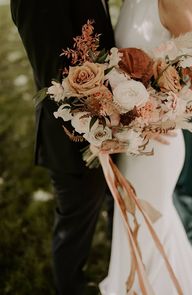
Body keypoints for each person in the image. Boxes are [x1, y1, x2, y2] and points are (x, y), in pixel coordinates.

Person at [100, 0, 192, 294]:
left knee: (150, 228)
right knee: (130, 224)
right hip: (129, 142)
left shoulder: (176, 3)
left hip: (156, 148)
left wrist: (160, 122)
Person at [10, 0, 115, 294]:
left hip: (112, 120)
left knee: (108, 199)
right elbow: (55, 79)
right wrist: (94, 129)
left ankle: (117, 259)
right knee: (75, 222)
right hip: (74, 138)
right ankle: (70, 286)